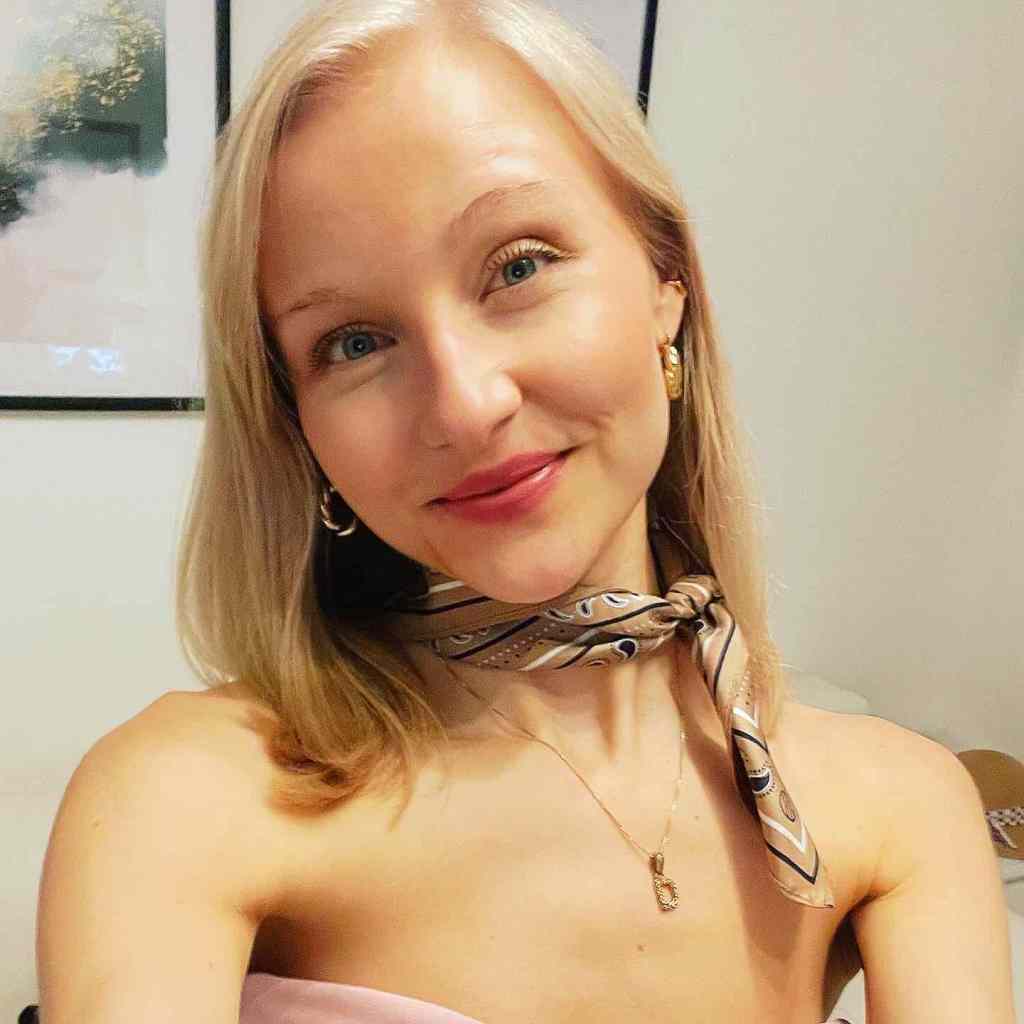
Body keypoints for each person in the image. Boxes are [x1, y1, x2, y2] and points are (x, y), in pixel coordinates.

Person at [35, 1, 1015, 1021]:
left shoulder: (901, 805)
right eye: (355, 342)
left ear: (666, 283)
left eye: (518, 266)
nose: (464, 405)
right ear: (298, 423)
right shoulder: (186, 796)